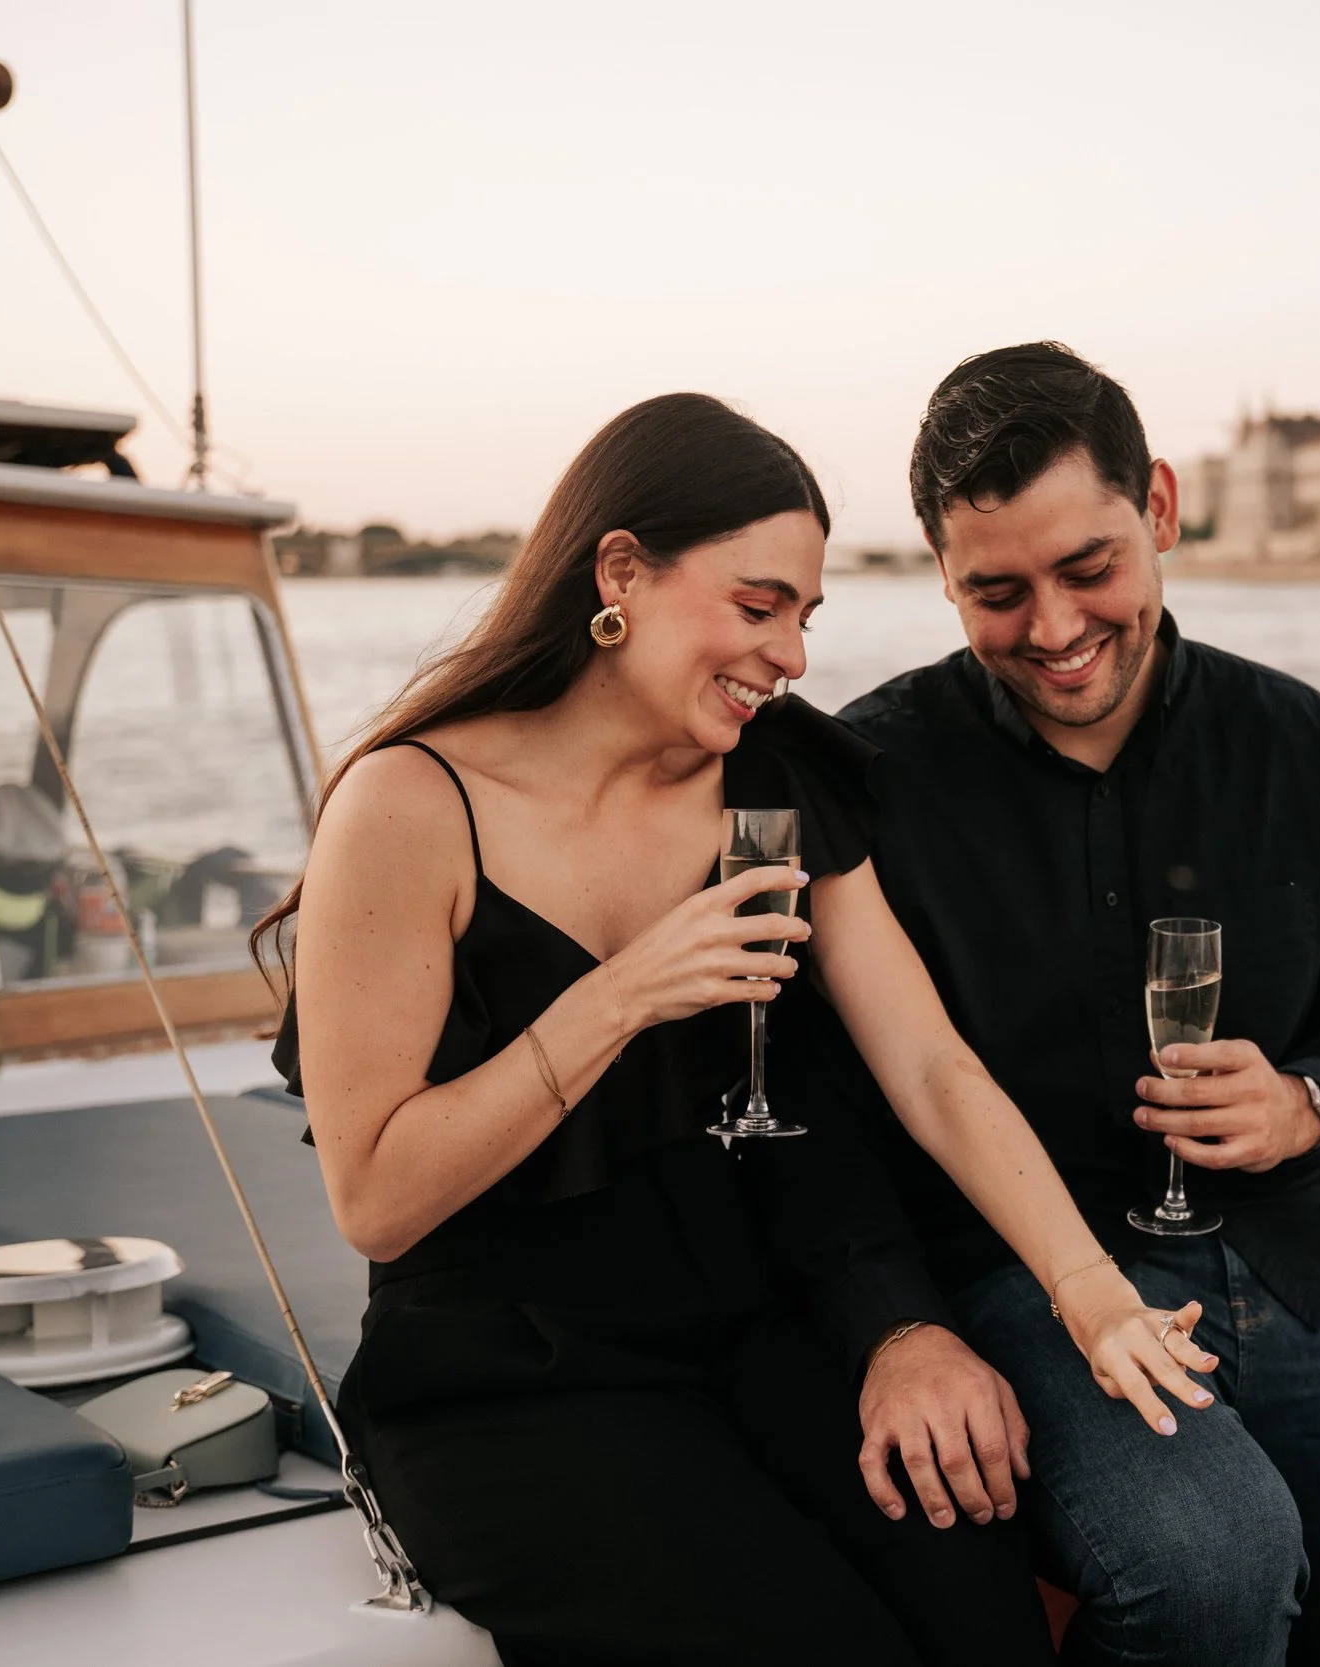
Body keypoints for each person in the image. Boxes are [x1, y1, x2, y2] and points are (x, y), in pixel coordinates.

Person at [261, 393, 1220, 1666]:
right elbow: (375, 1197)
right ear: (620, 575)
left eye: (806, 616)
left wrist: (1092, 1298)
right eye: (759, 606)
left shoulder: (779, 775)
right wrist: (623, 992)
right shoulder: (410, 804)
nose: (795, 655)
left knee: (979, 1611)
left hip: (752, 1334)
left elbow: (929, 1066)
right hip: (512, 1374)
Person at [817, 344, 1320, 1666]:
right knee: (1209, 1562)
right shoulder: (870, 773)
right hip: (1021, 1283)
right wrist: (899, 1325)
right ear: (939, 574)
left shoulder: (1301, 741)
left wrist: (1307, 1103)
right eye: (996, 589)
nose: (1052, 627)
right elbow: (832, 1112)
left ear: (1159, 506)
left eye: (1088, 567)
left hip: (1289, 1257)